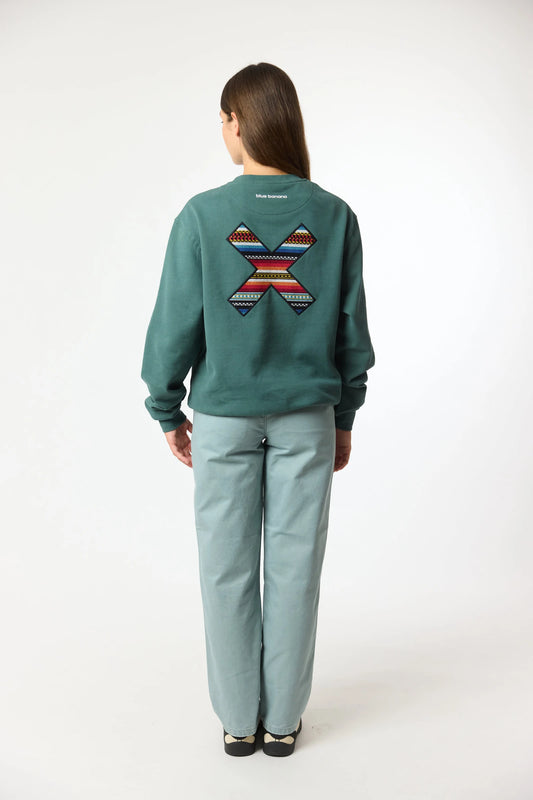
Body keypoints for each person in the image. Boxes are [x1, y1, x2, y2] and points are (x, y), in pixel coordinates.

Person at [140, 62, 376, 757]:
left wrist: (166, 408)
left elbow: (173, 325)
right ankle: (283, 724)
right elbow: (351, 333)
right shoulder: (333, 216)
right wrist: (344, 416)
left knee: (226, 571)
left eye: (222, 120)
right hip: (308, 418)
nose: (222, 131)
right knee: (296, 572)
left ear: (237, 122)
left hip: (221, 419)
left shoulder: (202, 216)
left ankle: (238, 721)